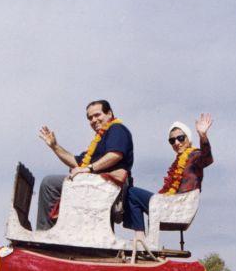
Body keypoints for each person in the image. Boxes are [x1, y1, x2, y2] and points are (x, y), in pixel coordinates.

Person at [36, 99, 134, 229]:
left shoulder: (117, 129)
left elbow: (115, 155)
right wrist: (55, 146)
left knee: (50, 183)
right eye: (90, 118)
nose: (93, 120)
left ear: (109, 113)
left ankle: (44, 231)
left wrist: (89, 168)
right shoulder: (100, 138)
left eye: (97, 115)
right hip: (96, 185)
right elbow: (76, 162)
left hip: (108, 188)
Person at [124, 113, 214, 247]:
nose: (176, 143)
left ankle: (140, 237)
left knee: (132, 193)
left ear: (188, 139)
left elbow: (207, 158)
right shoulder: (177, 162)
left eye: (180, 138)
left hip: (178, 206)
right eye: (172, 141)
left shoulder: (194, 156)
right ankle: (142, 237)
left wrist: (203, 135)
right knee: (129, 193)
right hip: (171, 203)